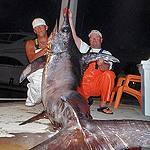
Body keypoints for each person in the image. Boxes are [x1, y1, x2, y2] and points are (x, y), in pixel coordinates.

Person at [63, 8, 116, 114]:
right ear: (89, 40)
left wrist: (102, 65)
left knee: (109, 74)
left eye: (96, 38)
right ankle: (85, 100)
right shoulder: (84, 48)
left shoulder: (106, 53)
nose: (94, 39)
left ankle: (103, 105)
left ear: (101, 40)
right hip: (84, 86)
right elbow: (74, 37)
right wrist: (69, 19)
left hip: (98, 86)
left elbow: (107, 67)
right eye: (92, 38)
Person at [25, 18, 49, 106]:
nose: (39, 29)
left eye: (41, 26)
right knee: (34, 100)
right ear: (34, 31)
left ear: (46, 27)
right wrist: (46, 49)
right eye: (36, 27)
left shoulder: (55, 41)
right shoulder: (31, 43)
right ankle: (32, 97)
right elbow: (31, 59)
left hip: (52, 70)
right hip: (37, 72)